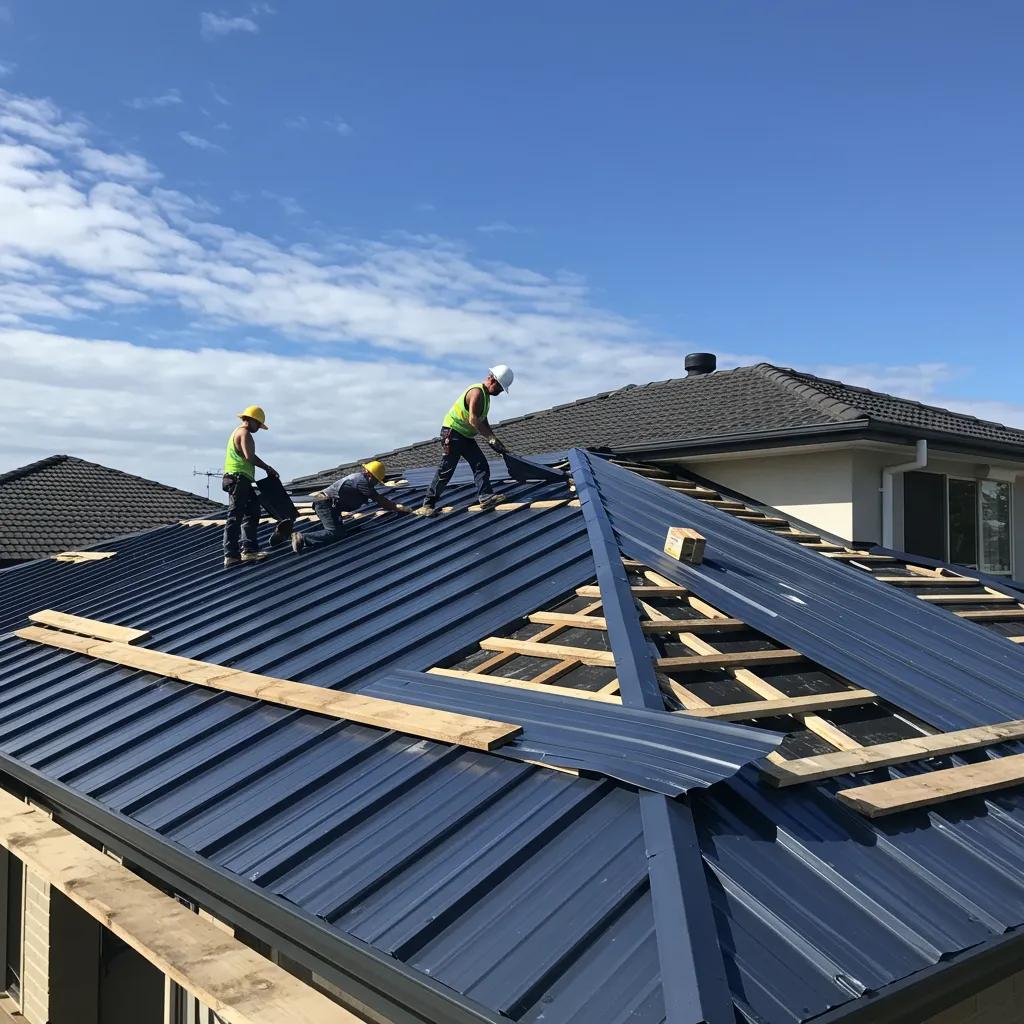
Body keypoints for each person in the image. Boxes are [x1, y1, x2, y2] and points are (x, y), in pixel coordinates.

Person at [415, 365, 514, 518]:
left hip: (465, 436)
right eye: (500, 388)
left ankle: (486, 497)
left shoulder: (486, 397)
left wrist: (495, 440)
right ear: (493, 380)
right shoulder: (476, 392)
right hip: (453, 433)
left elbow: (482, 420)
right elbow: (473, 420)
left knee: (480, 464)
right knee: (446, 470)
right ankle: (427, 504)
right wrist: (490, 439)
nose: (500, 392)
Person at [291, 460, 408, 552]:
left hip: (330, 506)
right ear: (369, 474)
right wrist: (396, 507)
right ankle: (303, 538)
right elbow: (379, 500)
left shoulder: (359, 479)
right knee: (336, 533)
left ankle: (298, 536)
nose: (376, 483)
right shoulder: (361, 481)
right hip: (325, 504)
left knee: (340, 529)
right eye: (375, 480)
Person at [222, 405, 278, 567]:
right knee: (236, 516)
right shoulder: (244, 433)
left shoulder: (238, 432)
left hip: (241, 480)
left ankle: (248, 550)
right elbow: (250, 457)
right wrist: (267, 468)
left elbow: (249, 456)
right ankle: (231, 554)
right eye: (258, 424)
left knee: (252, 512)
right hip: (238, 479)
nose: (259, 428)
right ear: (251, 420)